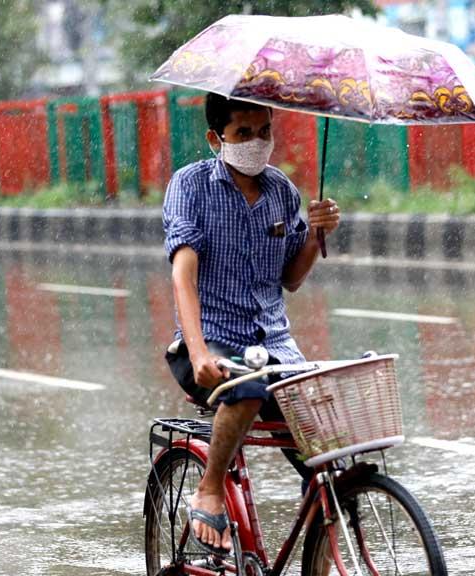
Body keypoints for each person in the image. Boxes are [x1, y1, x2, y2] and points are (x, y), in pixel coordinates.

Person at [162, 93, 340, 555]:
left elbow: (291, 279)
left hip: (277, 352)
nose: (257, 143)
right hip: (210, 345)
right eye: (243, 134)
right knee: (245, 385)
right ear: (215, 137)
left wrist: (317, 233)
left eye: (265, 132)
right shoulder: (190, 186)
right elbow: (184, 275)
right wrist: (199, 352)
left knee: (332, 468)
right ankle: (211, 487)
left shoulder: (282, 191)